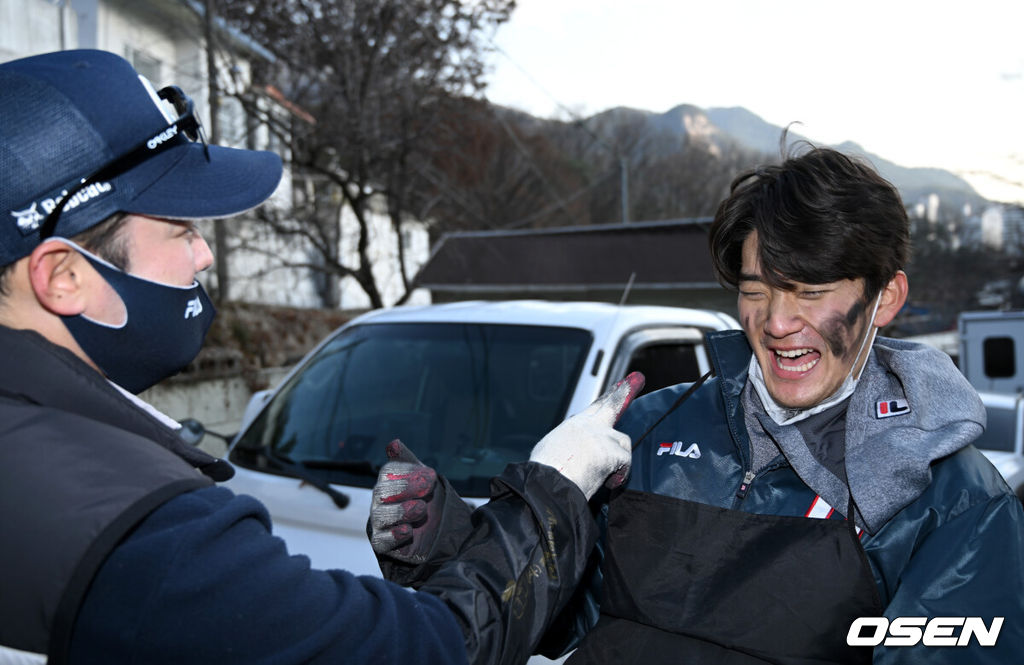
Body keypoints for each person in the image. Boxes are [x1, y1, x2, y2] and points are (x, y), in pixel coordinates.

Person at [0, 49, 645, 665]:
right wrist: (550, 492)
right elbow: (435, 650)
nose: (204, 256)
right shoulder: (141, 534)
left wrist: (454, 544)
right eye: (181, 230)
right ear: (62, 276)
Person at [371, 145, 1024, 663]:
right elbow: (575, 614)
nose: (776, 322)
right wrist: (449, 539)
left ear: (885, 298)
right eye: (757, 289)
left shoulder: (956, 501)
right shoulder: (657, 423)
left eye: (809, 289)